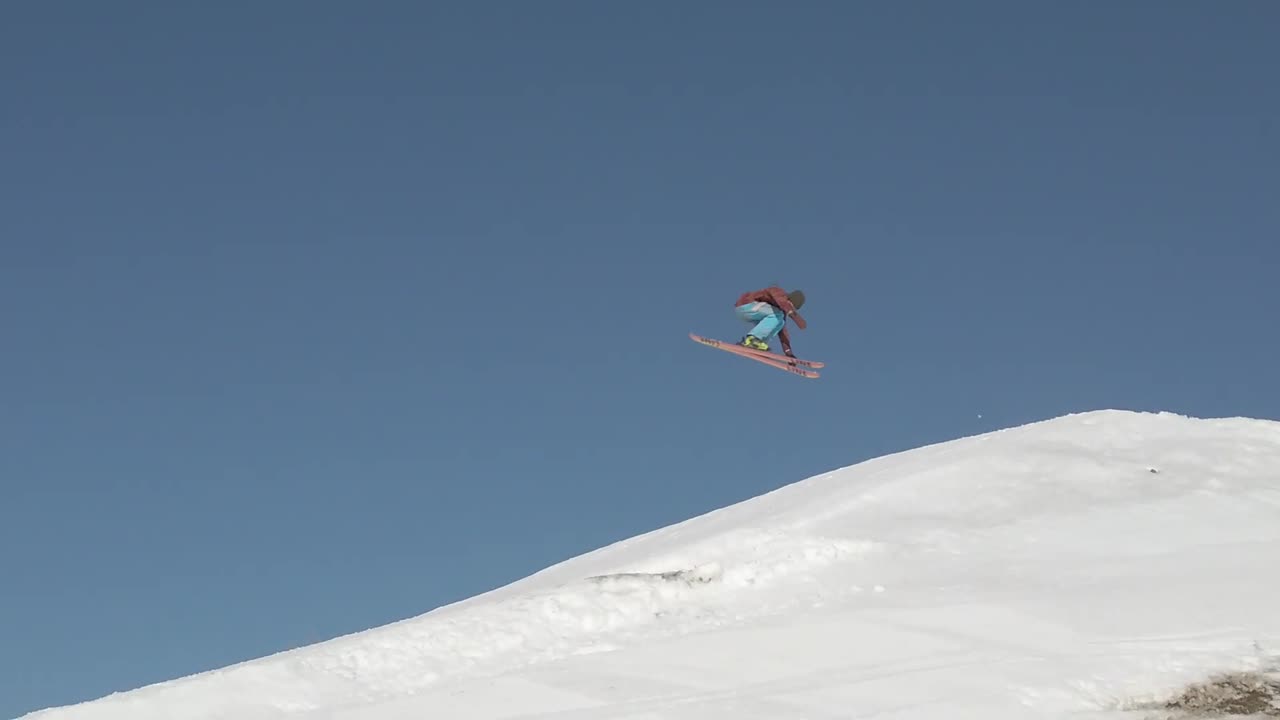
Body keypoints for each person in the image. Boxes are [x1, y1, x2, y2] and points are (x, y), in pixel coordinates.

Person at [734, 285, 807, 357]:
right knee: (778, 315)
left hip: (751, 313)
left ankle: (758, 344)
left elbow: (783, 333)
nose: (789, 309)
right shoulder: (778, 292)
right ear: (789, 299)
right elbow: (782, 301)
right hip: (746, 304)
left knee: (781, 322)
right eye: (790, 306)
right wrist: (796, 317)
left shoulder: (780, 313)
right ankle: (753, 340)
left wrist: (788, 352)